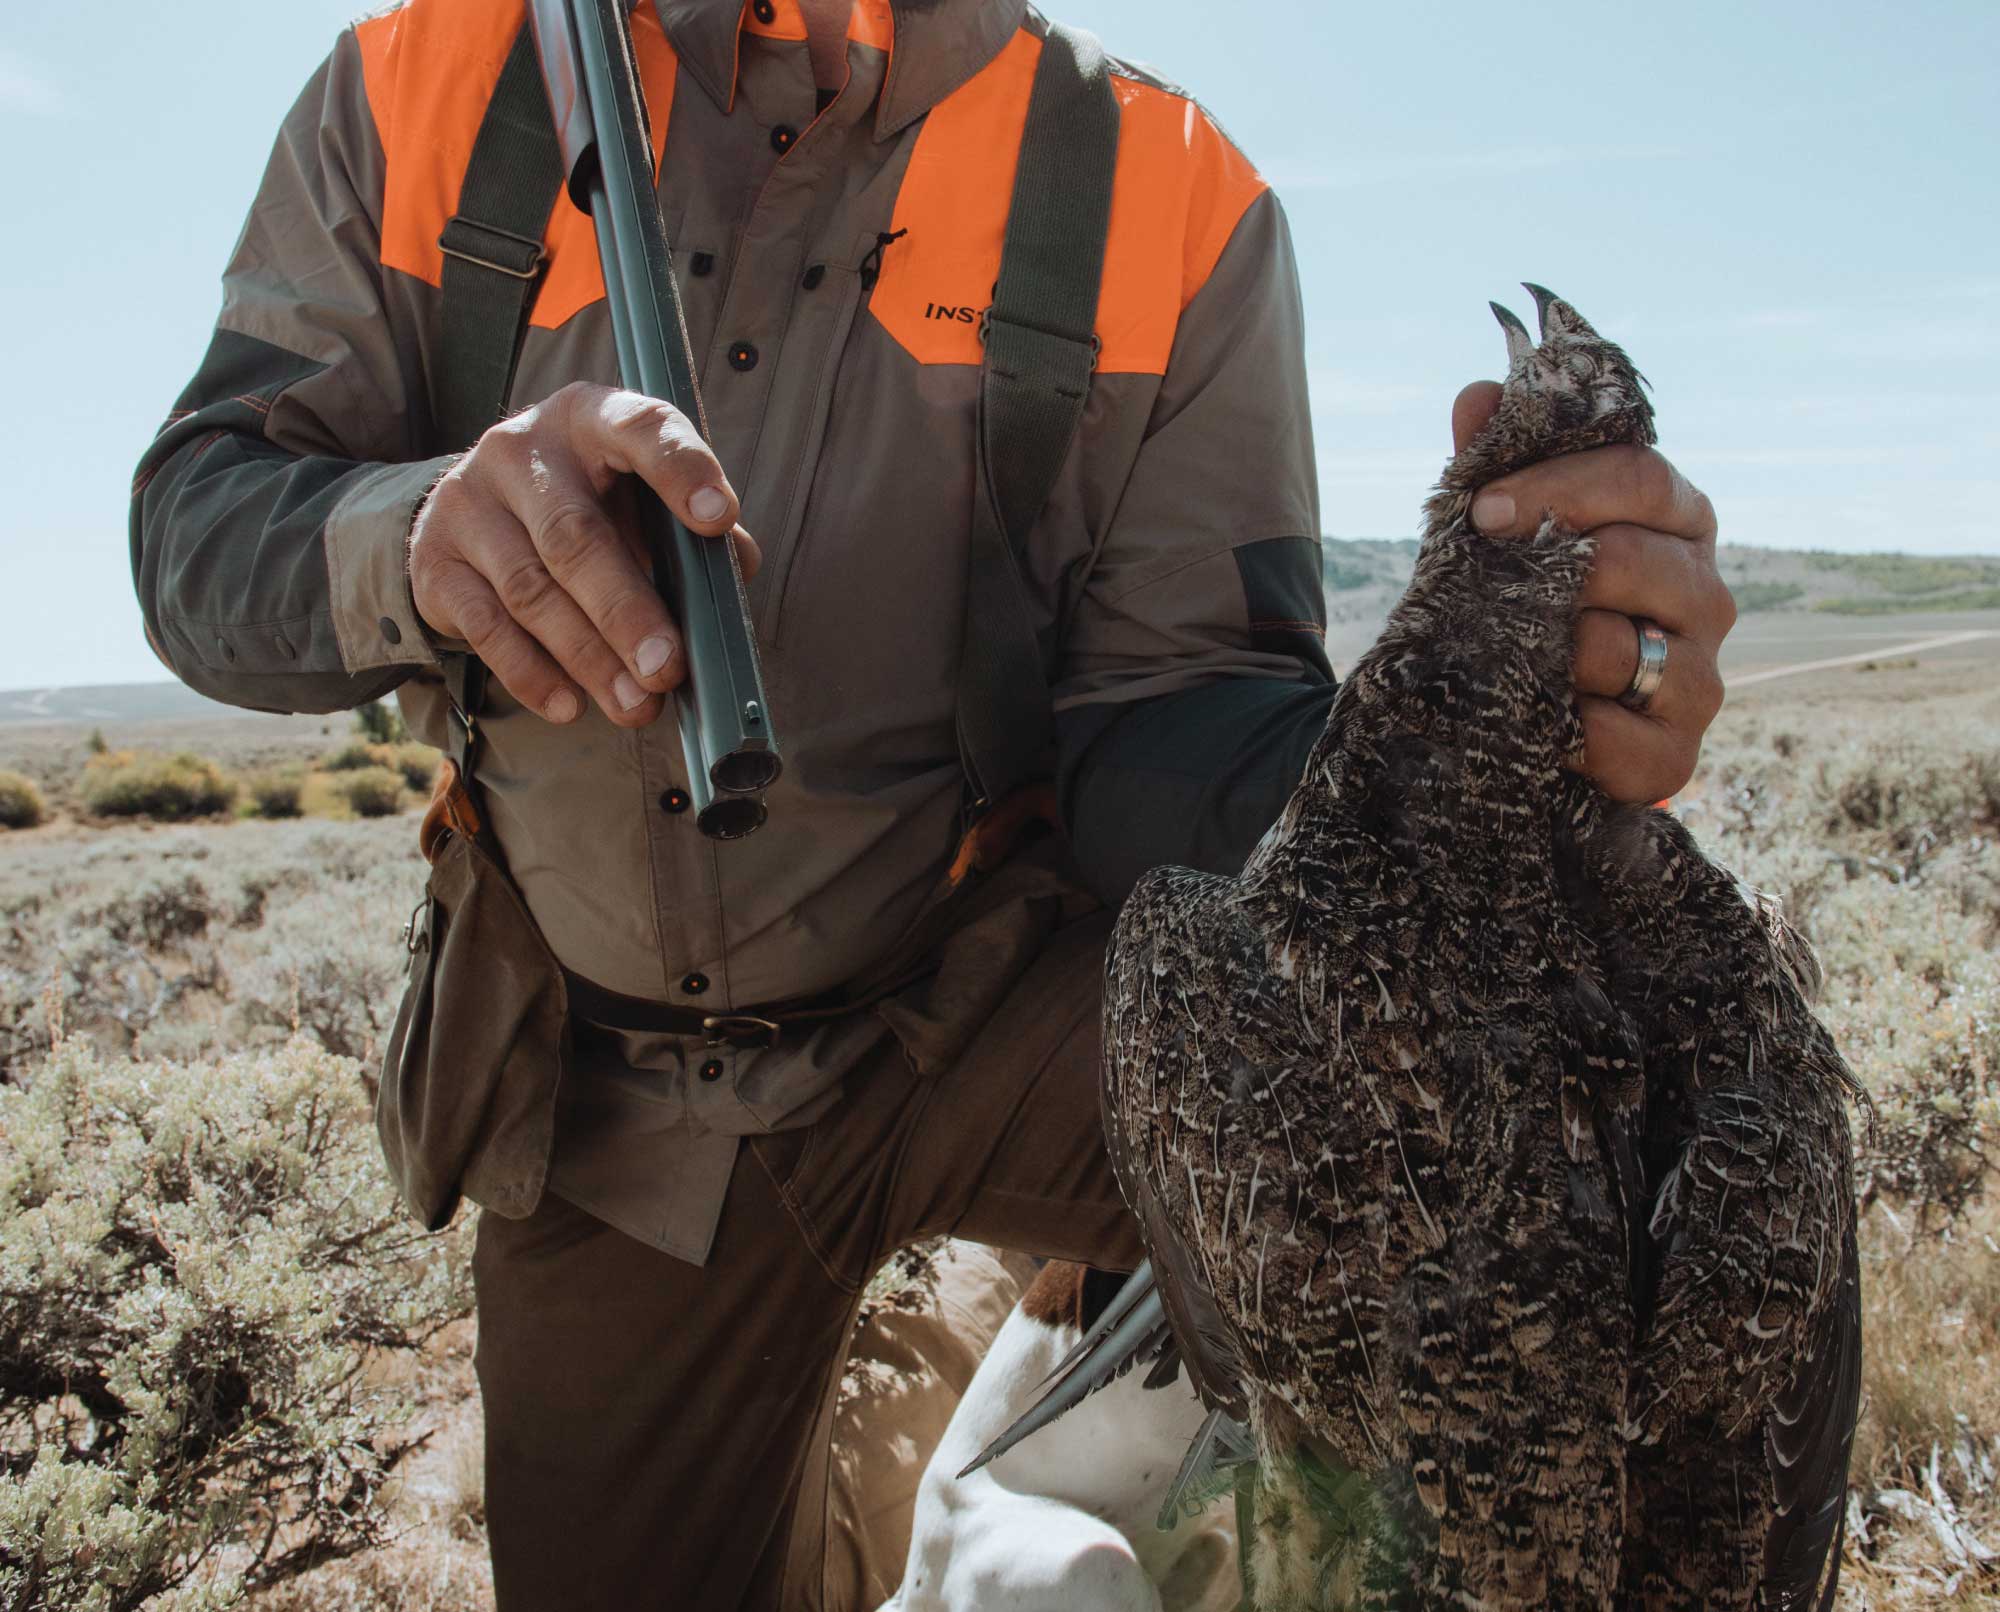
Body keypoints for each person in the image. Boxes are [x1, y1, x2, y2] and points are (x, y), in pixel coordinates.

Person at [129, 0, 1736, 1606]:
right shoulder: (420, 87)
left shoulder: (1170, 192)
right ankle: (957, 1375)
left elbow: (1171, 715)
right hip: (616, 1090)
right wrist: (416, 538)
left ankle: (1026, 1357)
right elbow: (198, 525)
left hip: (992, 1010)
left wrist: (1467, 758)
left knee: (1528, 1150)